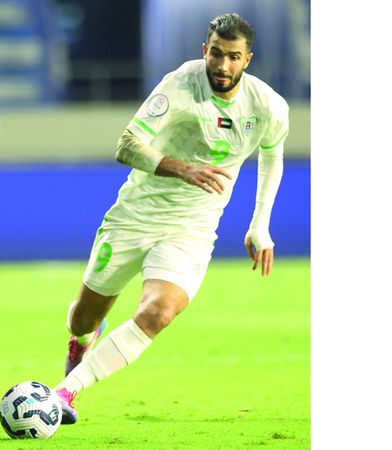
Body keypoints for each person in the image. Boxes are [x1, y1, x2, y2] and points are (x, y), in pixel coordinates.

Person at [54, 13, 287, 424]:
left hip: (192, 228)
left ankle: (65, 392)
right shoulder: (180, 84)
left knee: (158, 312)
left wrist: (260, 224)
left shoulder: (267, 105)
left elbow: (271, 155)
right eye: (216, 54)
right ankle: (81, 343)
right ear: (205, 50)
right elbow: (126, 145)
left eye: (233, 57)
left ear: (247, 59)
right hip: (135, 216)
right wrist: (184, 169)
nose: (222, 66)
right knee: (82, 320)